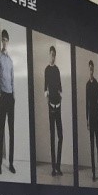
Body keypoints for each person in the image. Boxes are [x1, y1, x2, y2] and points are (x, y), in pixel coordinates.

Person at [0, 28, 16, 175]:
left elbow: (13, 79)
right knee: (1, 130)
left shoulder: (10, 60)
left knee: (11, 131)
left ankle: (11, 163)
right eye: (3, 40)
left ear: (8, 42)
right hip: (3, 96)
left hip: (10, 98)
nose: (4, 42)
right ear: (1, 41)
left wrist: (14, 95)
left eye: (6, 40)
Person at [44, 45, 63, 176]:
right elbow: (45, 89)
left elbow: (60, 88)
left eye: (54, 55)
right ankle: (53, 168)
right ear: (49, 55)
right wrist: (49, 104)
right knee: (52, 137)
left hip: (58, 105)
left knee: (60, 136)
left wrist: (60, 100)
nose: (53, 57)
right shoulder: (47, 70)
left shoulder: (57, 70)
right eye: (51, 54)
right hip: (51, 106)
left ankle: (58, 166)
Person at [85, 59, 98, 182]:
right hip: (90, 118)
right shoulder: (87, 84)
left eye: (92, 68)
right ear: (88, 69)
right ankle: (93, 173)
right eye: (90, 68)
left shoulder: (96, 83)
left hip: (96, 118)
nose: (91, 70)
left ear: (93, 69)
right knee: (92, 146)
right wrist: (87, 120)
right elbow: (87, 103)